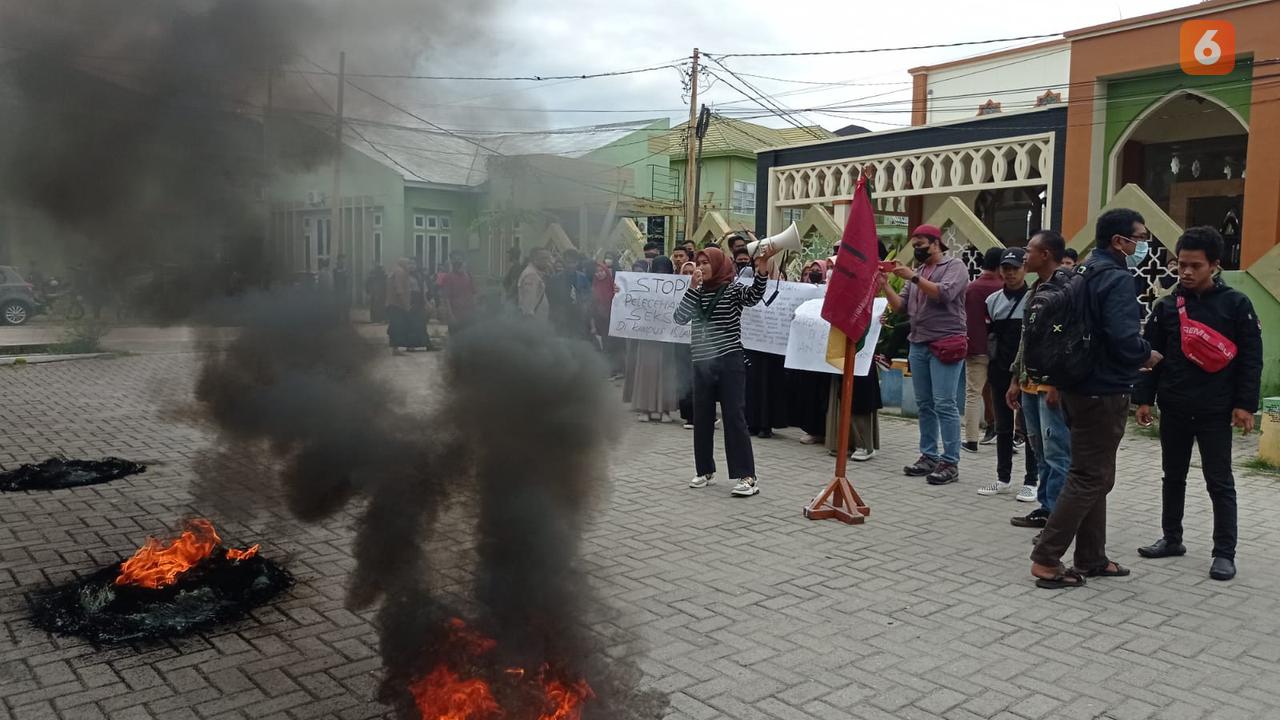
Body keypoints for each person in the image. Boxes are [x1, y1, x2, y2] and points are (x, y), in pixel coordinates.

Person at [1030, 208, 1161, 589]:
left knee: (1094, 473)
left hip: (1077, 384)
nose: (1143, 243)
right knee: (1090, 476)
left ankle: (1091, 556)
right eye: (1140, 236)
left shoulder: (1082, 271)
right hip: (1102, 390)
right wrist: (1146, 353)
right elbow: (1122, 338)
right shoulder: (1116, 278)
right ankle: (1046, 557)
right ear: (1120, 241)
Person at [1135, 227, 1263, 582]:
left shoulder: (1236, 305)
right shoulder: (1166, 307)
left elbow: (1252, 359)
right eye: (1181, 265)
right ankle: (1172, 539)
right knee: (1172, 476)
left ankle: (1224, 553)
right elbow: (1150, 357)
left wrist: (1244, 406)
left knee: (1219, 482)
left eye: (1195, 266)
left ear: (1215, 266)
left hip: (1216, 410)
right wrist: (1144, 399)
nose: (1186, 273)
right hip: (1174, 405)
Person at [673, 245, 775, 497]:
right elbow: (679, 317)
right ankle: (704, 470)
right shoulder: (697, 293)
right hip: (702, 363)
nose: (701, 267)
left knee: (733, 416)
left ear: (718, 264)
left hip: (729, 361)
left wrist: (762, 268)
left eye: (706, 263)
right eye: (699, 263)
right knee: (702, 417)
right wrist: (692, 289)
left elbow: (753, 296)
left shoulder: (732, 289)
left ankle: (747, 477)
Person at [880, 224, 969, 485]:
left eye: (921, 244)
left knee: (945, 403)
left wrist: (913, 278)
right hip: (918, 344)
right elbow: (901, 308)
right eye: (914, 245)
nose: (917, 249)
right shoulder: (918, 271)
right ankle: (929, 456)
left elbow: (945, 294)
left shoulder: (955, 267)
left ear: (936, 243)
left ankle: (950, 461)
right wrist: (886, 286)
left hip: (945, 343)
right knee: (925, 404)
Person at [1007, 230, 1072, 530]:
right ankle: (1046, 507)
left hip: (1051, 385)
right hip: (1029, 382)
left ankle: (1059, 515)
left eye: (1029, 250)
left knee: (1058, 450)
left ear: (1045, 254)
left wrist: (1057, 383)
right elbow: (1027, 340)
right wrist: (1015, 379)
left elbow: (1068, 341)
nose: (1024, 256)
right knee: (1039, 449)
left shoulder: (1067, 288)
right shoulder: (1036, 289)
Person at [977, 247, 1038, 501]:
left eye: (1015, 268)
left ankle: (1032, 481)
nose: (1010, 273)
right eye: (1006, 268)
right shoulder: (993, 301)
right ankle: (1003, 478)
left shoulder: (1035, 298)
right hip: (999, 369)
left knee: (1030, 427)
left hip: (1027, 372)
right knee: (1003, 426)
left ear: (1025, 269)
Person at [963, 248, 1005, 453]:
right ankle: (1009, 437)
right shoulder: (1004, 288)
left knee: (973, 394)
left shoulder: (971, 288)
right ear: (1000, 266)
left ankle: (971, 440)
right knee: (1003, 393)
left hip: (975, 348)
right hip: (1000, 351)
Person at [632, 256, 681, 423]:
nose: (661, 273)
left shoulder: (677, 287)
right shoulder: (645, 285)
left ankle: (665, 409)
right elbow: (631, 301)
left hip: (668, 337)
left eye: (665, 270)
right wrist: (620, 291)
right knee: (646, 371)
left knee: (666, 373)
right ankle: (644, 408)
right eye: (658, 270)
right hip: (648, 336)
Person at [675, 261, 697, 428]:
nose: (688, 275)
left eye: (692, 271)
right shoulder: (672, 288)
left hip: (699, 343)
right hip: (679, 341)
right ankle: (687, 414)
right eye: (685, 272)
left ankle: (699, 414)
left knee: (697, 379)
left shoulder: (703, 290)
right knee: (683, 376)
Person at [437, 251, 477, 337]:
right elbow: (446, 297)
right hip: (455, 311)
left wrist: (475, 308)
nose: (458, 263)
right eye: (455, 261)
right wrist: (450, 314)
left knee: (468, 333)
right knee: (455, 334)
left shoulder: (468, 275)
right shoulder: (448, 277)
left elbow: (474, 293)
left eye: (460, 261)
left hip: (468, 310)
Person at [386, 258, 413, 355]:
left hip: (391, 304)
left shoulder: (394, 271)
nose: (410, 266)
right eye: (409, 263)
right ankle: (395, 349)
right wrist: (406, 305)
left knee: (394, 326)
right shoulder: (400, 273)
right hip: (398, 305)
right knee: (398, 327)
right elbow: (399, 290)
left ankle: (394, 348)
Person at [518, 248, 552, 322]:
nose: (547, 261)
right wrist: (531, 323)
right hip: (534, 323)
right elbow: (528, 303)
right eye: (544, 258)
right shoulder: (531, 275)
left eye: (548, 258)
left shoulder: (536, 274)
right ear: (535, 260)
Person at [333, 254, 352, 321]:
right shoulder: (335, 270)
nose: (343, 262)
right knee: (338, 307)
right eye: (341, 260)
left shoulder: (346, 270)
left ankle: (346, 320)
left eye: (343, 260)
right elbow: (335, 280)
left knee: (346, 307)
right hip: (338, 291)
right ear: (338, 260)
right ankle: (337, 320)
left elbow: (348, 280)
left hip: (345, 291)